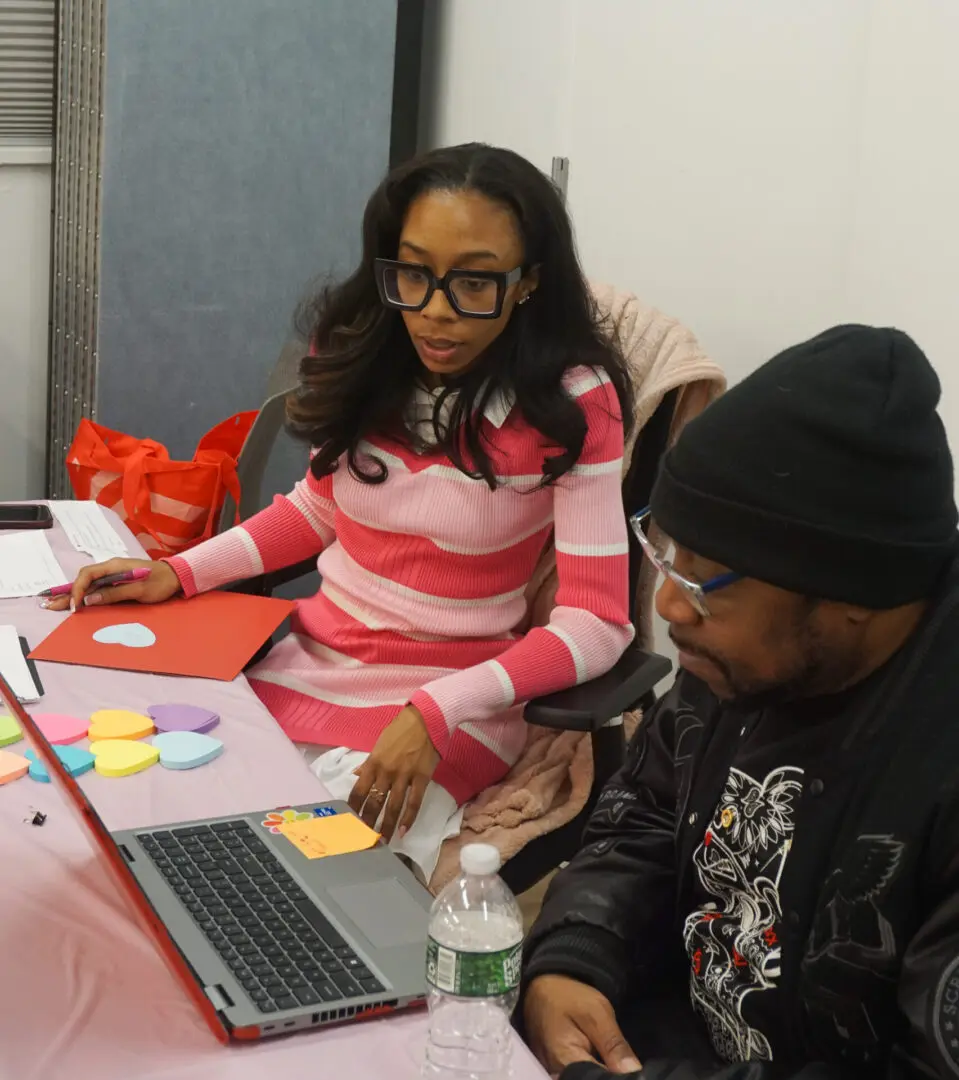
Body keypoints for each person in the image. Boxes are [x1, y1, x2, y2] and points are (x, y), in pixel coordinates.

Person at [49, 143, 635, 882]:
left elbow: (597, 622)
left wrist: (436, 709)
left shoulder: (573, 400)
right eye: (413, 274)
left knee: (326, 884)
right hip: (307, 664)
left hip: (453, 700)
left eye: (474, 283)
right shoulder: (362, 347)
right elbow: (317, 509)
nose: (434, 311)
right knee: (161, 832)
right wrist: (177, 572)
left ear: (528, 284)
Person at [521, 325, 959, 1080]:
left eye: (704, 578)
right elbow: (645, 814)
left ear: (854, 595)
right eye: (665, 551)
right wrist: (574, 954)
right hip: (664, 1036)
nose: (667, 604)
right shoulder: (739, 655)